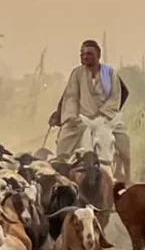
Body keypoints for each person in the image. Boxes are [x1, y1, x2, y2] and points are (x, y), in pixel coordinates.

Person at [50, 40, 131, 180]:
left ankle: (127, 175)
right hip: (83, 119)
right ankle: (60, 169)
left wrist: (103, 114)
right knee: (64, 139)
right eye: (82, 54)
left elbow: (115, 95)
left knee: (123, 139)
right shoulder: (77, 73)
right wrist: (71, 116)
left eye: (89, 54)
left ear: (98, 55)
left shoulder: (109, 72)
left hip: (106, 118)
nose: (85, 56)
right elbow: (71, 96)